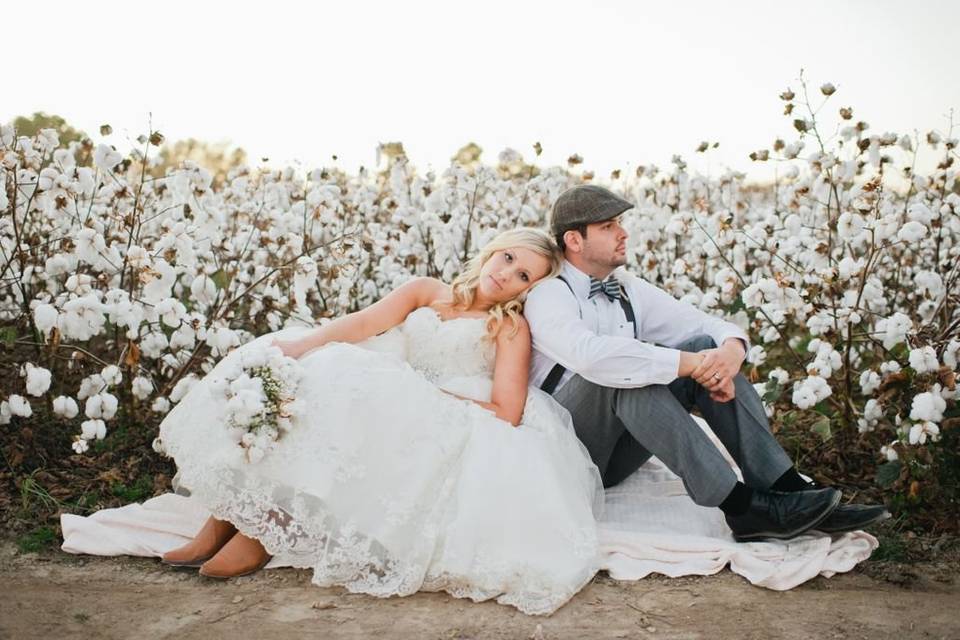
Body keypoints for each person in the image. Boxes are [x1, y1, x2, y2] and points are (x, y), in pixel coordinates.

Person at [156, 227, 604, 616]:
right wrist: (305, 345)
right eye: (508, 258)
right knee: (324, 368)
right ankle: (227, 515)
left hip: (447, 403)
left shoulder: (508, 327)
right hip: (394, 376)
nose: (506, 273)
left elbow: (507, 410)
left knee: (374, 398)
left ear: (528, 291)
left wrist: (428, 397)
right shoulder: (427, 290)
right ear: (494, 250)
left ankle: (267, 527)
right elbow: (365, 323)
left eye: (523, 275)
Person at [523, 185, 889, 543]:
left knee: (701, 346)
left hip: (617, 457)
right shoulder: (549, 294)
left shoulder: (626, 286)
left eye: (620, 223)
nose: (624, 233)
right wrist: (689, 364)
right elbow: (592, 356)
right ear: (574, 240)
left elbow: (700, 324)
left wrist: (728, 351)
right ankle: (741, 506)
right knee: (621, 374)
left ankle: (786, 488)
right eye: (608, 227)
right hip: (568, 455)